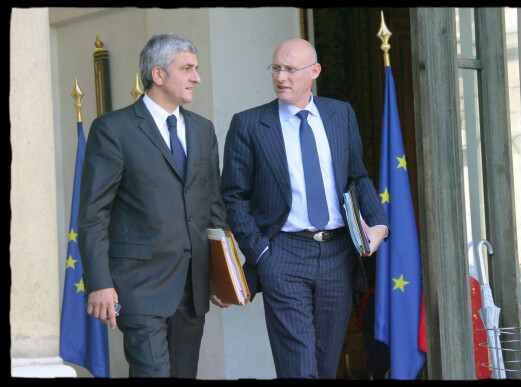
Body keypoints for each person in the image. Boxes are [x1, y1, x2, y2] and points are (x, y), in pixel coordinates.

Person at [219, 38, 389, 379]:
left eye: (291, 69)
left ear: (314, 71)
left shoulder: (340, 114)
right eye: (276, 68)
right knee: (298, 368)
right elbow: (233, 196)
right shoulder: (249, 124)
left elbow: (358, 176)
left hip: (339, 254)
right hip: (283, 254)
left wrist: (379, 226)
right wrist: (262, 253)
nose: (281, 77)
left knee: (325, 368)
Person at [78, 33, 228, 378]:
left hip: (193, 289)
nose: (197, 78)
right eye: (187, 68)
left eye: (197, 68)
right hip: (139, 287)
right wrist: (100, 282)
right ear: (158, 75)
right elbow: (93, 215)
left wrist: (224, 275)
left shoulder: (203, 130)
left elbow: (214, 208)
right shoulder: (113, 129)